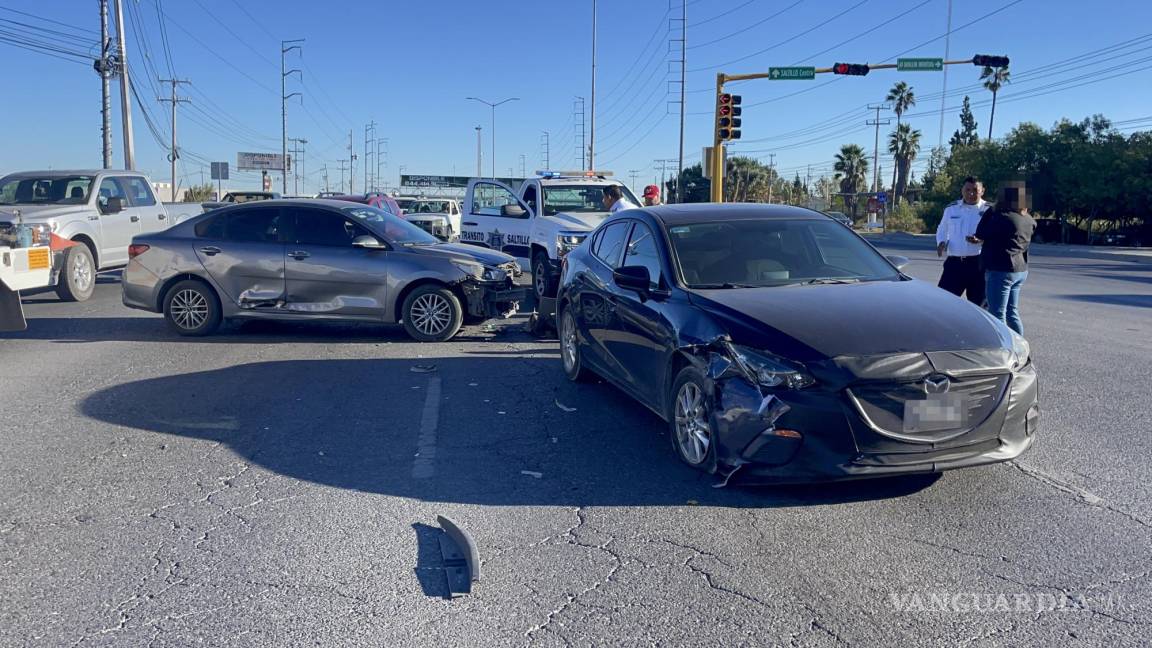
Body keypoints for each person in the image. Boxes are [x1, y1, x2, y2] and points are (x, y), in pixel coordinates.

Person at [972, 182, 1036, 336]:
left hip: (1001, 270)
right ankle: (1019, 344)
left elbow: (980, 232)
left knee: (997, 314)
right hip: (1020, 269)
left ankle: (1004, 350)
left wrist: (990, 210)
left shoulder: (1002, 217)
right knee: (1011, 312)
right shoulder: (1028, 219)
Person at [935, 176, 991, 305]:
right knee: (943, 303)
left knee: (980, 306)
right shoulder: (951, 209)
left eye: (975, 190)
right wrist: (941, 242)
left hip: (978, 264)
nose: (971, 193)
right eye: (968, 190)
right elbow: (942, 228)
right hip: (954, 265)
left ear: (982, 191)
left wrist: (981, 240)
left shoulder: (989, 210)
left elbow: (995, 235)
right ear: (962, 190)